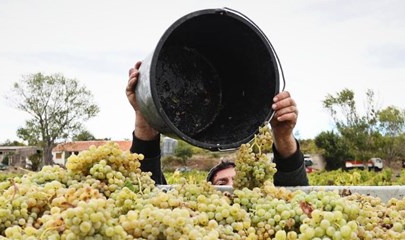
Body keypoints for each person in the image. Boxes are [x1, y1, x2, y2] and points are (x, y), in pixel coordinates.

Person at [125, 61, 309, 187]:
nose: (230, 188)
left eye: (239, 184)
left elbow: (295, 196)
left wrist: (283, 136)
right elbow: (147, 190)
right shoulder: (191, 228)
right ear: (208, 192)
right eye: (222, 184)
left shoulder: (262, 230)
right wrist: (144, 116)